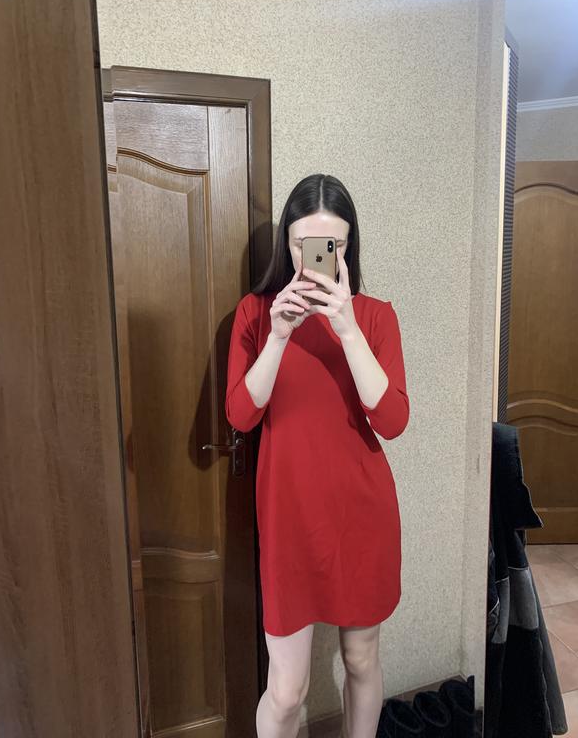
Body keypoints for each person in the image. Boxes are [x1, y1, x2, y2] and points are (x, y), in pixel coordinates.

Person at [225, 173, 410, 738]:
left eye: (334, 245)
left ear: (348, 248)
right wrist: (279, 336)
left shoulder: (374, 317)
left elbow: (392, 421)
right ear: (288, 243)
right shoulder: (256, 314)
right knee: (286, 691)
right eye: (306, 244)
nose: (318, 259)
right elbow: (241, 416)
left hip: (361, 514)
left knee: (361, 660)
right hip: (289, 520)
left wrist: (347, 329)